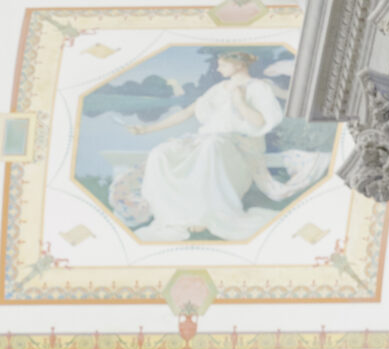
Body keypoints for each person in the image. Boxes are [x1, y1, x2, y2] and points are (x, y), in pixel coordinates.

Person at [128, 51, 318, 242]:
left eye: (223, 65)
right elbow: (185, 113)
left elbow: (259, 122)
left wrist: (240, 101)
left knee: (210, 147)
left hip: (237, 145)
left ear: (238, 65)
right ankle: (174, 215)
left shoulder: (259, 87)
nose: (219, 69)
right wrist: (147, 129)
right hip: (208, 140)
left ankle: (204, 215)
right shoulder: (219, 88)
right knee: (161, 153)